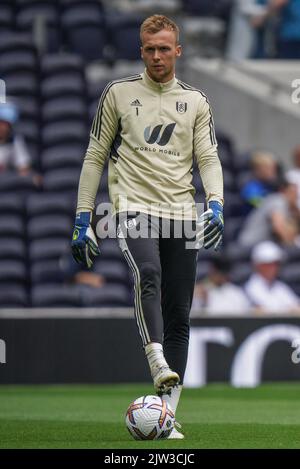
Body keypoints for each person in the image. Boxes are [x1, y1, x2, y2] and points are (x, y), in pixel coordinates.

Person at [71, 14, 224, 439]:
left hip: (182, 213)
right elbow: (94, 156)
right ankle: (156, 359)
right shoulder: (118, 94)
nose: (157, 56)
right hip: (133, 207)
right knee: (149, 273)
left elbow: (208, 158)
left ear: (178, 50)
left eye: (164, 48)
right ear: (141, 51)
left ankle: (167, 415)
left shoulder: (196, 101)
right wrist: (83, 217)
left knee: (181, 314)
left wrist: (216, 204)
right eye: (150, 48)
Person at [238, 176, 300, 248]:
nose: (295, 196)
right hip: (250, 245)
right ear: (283, 191)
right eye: (292, 192)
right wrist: (293, 246)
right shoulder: (278, 200)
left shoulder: (287, 206)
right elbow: (278, 228)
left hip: (262, 244)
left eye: (296, 193)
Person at [244, 241, 300, 314]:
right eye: (268, 264)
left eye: (276, 263)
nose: (273, 268)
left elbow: (296, 306)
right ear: (258, 265)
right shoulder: (250, 287)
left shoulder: (280, 287)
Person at [240, 150, 279, 214]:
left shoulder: (273, 186)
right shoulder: (250, 188)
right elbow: (260, 205)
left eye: (274, 168)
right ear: (257, 170)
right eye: (268, 168)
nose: (273, 171)